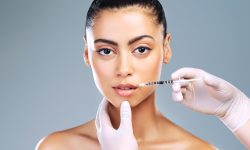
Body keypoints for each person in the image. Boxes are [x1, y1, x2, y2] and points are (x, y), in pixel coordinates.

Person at [36, 0, 250, 149]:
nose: (123, 69)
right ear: (86, 53)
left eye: (141, 49)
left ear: (166, 49)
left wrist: (237, 111)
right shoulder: (56, 147)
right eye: (106, 51)